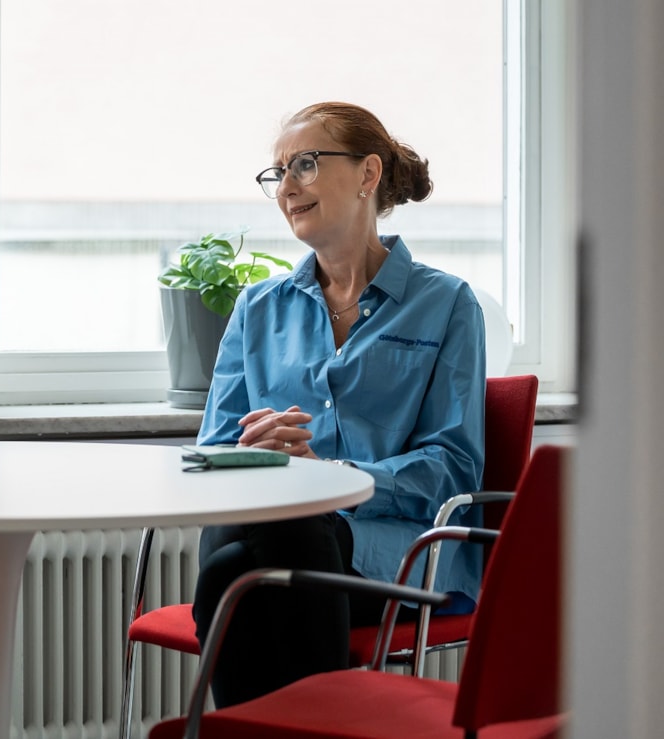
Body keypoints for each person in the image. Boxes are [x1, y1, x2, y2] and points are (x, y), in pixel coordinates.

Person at [191, 102, 486, 708]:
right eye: (277, 173)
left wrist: (334, 478)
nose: (286, 187)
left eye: (304, 164)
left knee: (241, 562)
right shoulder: (256, 308)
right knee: (262, 532)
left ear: (367, 174)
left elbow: (454, 469)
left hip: (396, 555)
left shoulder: (448, 305)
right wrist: (250, 453)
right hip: (271, 536)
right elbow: (211, 455)